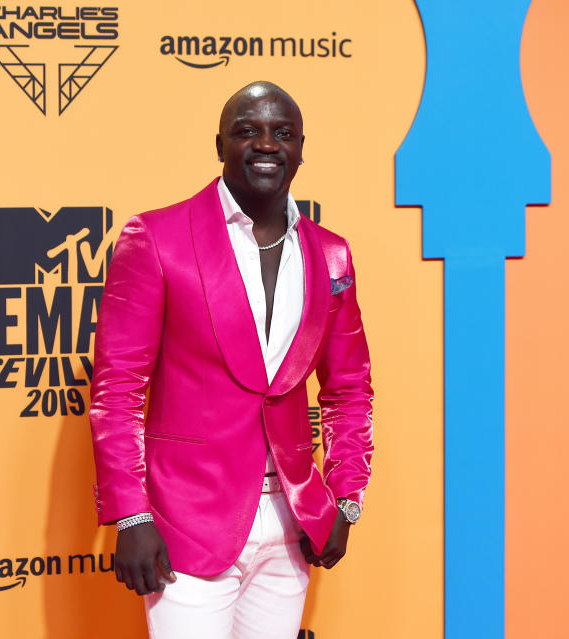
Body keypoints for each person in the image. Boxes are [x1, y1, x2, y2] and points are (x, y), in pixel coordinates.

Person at [89, 81, 373, 638]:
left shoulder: (330, 252)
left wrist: (345, 499)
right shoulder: (156, 237)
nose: (266, 144)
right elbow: (117, 389)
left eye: (281, 133)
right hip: (185, 520)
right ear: (220, 145)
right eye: (248, 131)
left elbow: (350, 388)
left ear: (300, 149)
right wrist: (133, 513)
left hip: (292, 522)